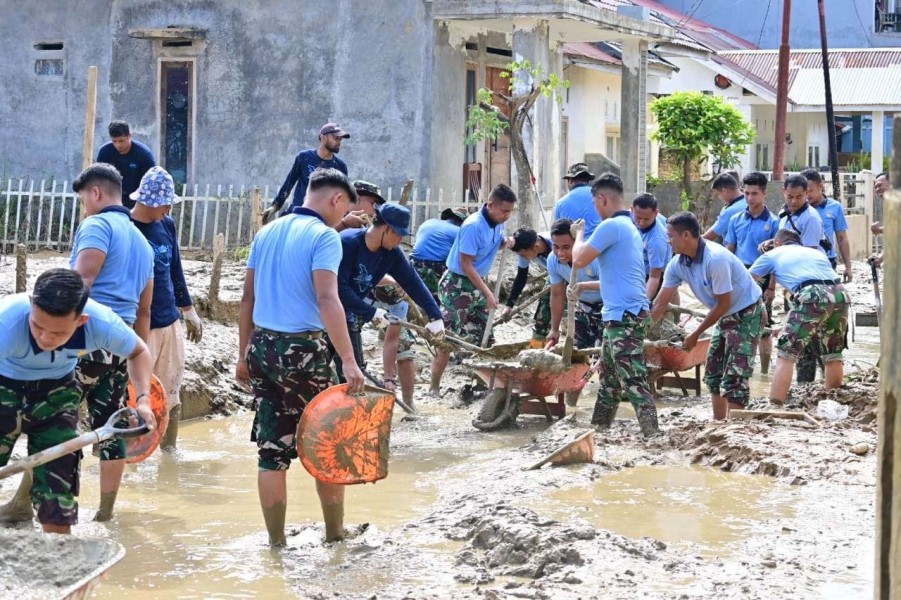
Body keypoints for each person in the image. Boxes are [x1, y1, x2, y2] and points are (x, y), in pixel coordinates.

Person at [235, 168, 365, 546]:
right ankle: (335, 537)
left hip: (262, 347)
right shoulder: (325, 237)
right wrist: (349, 360)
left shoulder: (267, 232)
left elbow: (247, 298)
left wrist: (243, 354)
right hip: (304, 351)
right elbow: (327, 298)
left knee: (271, 452)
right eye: (344, 209)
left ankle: (276, 543)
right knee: (330, 443)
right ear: (336, 199)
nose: (342, 217)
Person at [0, 269, 156, 534]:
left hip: (57, 392)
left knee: (58, 502)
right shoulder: (6, 322)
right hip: (4, 385)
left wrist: (143, 399)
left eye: (58, 333)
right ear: (31, 306)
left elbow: (139, 351)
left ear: (81, 321)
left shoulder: (101, 324)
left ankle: (58, 552)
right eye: (37, 326)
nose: (45, 338)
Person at [651, 212, 764, 421]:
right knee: (713, 372)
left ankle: (737, 427)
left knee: (736, 375)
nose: (668, 241)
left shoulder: (716, 258)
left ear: (686, 235)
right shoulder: (677, 263)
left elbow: (723, 303)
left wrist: (695, 334)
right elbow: (660, 303)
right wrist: (641, 330)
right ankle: (719, 423)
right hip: (723, 314)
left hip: (746, 312)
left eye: (670, 236)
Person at [572, 173, 659, 437]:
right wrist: (584, 287)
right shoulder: (628, 227)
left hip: (625, 316)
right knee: (609, 379)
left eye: (595, 204)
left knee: (633, 378)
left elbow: (579, 259)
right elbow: (617, 280)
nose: (595, 210)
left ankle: (653, 433)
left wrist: (579, 234)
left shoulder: (611, 226)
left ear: (602, 199)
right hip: (620, 314)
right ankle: (599, 429)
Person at [336, 203, 444, 411]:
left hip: (348, 316)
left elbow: (412, 281)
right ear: (387, 229)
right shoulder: (347, 243)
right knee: (323, 370)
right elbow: (339, 289)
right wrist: (372, 313)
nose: (400, 240)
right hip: (321, 315)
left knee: (354, 372)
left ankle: (350, 420)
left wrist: (435, 316)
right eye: (399, 235)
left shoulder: (391, 253)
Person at [129, 167, 203, 451]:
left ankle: (169, 453)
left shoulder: (166, 224)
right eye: (165, 203)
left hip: (169, 321)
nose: (169, 209)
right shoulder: (127, 228)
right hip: (138, 326)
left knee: (171, 392)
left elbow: (175, 269)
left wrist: (188, 310)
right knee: (133, 393)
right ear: (148, 201)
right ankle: (128, 455)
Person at [431, 184, 517, 393]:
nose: (507, 216)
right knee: (447, 339)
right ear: (490, 205)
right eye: (504, 211)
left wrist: (504, 242)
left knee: (485, 335)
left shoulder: (498, 224)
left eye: (510, 212)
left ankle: (482, 384)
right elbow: (466, 264)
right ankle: (434, 386)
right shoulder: (473, 226)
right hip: (457, 285)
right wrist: (488, 293)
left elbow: (490, 244)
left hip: (477, 284)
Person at [749, 229, 850, 403]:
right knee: (833, 353)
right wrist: (787, 324)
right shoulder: (815, 253)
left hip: (812, 294)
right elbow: (818, 295)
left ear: (778, 243)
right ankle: (833, 402)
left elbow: (745, 281)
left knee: (786, 353)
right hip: (841, 294)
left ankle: (775, 405)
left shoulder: (772, 254)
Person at [724, 171, 779, 372]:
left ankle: (763, 371)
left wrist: (772, 287)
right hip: (739, 275)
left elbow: (776, 258)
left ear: (764, 194)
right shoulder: (735, 219)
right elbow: (729, 249)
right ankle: (737, 366)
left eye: (754, 193)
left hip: (763, 277)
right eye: (746, 193)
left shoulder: (774, 222)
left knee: (764, 326)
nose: (749, 198)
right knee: (734, 321)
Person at [266, 123, 350, 220]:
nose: (339, 142)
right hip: (297, 214)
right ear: (323, 137)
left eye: (340, 139)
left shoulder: (340, 167)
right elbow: (288, 184)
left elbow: (342, 198)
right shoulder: (304, 157)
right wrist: (275, 206)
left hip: (319, 220)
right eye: (336, 138)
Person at [545, 218, 603, 351]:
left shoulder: (593, 258)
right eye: (556, 247)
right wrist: (554, 329)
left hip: (606, 305)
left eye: (566, 247)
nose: (560, 253)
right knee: (578, 351)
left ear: (576, 243)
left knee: (601, 351)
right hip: (582, 305)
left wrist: (584, 286)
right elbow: (557, 295)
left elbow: (611, 285)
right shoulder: (553, 260)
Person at [504, 228, 553, 348]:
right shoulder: (525, 250)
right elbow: (521, 277)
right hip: (554, 277)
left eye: (523, 255)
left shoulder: (557, 244)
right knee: (543, 314)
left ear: (536, 247)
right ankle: (537, 348)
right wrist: (509, 305)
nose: (523, 258)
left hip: (576, 274)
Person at [801, 168, 852, 280]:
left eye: (810, 191)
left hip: (827, 260)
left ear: (820, 186)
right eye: (804, 192)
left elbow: (842, 238)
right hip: (802, 261)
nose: (807, 195)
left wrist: (848, 267)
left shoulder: (835, 207)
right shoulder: (796, 209)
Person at [410, 207, 467, 299]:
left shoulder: (429, 222)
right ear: (462, 223)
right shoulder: (458, 232)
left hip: (413, 261)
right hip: (436, 266)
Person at [96, 121, 156, 208]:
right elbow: (98, 179)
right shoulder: (105, 152)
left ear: (129, 135)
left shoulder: (144, 154)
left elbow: (150, 183)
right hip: (111, 200)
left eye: (121, 141)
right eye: (114, 141)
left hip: (138, 202)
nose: (118, 145)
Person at [631, 193, 672, 300]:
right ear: (632, 210)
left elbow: (654, 277)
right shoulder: (628, 217)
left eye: (646, 219)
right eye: (638, 218)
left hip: (657, 271)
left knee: (659, 301)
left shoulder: (657, 240)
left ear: (656, 213)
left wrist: (643, 303)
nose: (641, 223)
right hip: (639, 265)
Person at [554, 163, 601, 238]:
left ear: (570, 180)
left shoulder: (561, 203)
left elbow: (556, 232)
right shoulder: (600, 197)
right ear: (588, 181)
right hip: (599, 243)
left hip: (575, 244)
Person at [703, 173, 747, 241]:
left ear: (724, 191)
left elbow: (708, 237)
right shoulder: (748, 202)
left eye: (718, 194)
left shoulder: (731, 211)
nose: (719, 198)